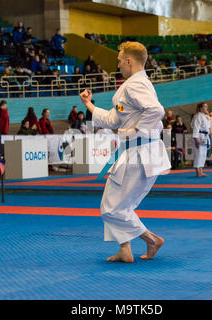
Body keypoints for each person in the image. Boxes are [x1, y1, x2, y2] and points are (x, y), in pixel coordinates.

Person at [79, 41, 170, 263]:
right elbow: (113, 119)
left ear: (129, 61)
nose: (118, 65)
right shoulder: (136, 85)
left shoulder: (133, 86)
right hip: (139, 153)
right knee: (119, 204)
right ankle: (125, 249)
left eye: (120, 61)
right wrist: (89, 104)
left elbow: (156, 111)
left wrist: (136, 130)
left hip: (138, 153)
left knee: (110, 208)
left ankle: (151, 239)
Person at [192, 103, 211, 177]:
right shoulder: (197, 116)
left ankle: (201, 170)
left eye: (207, 106)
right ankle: (198, 172)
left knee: (203, 154)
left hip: (204, 136)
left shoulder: (205, 116)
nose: (207, 108)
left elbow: (207, 127)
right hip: (199, 136)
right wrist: (196, 138)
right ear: (200, 108)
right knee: (198, 153)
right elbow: (195, 127)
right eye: (205, 106)